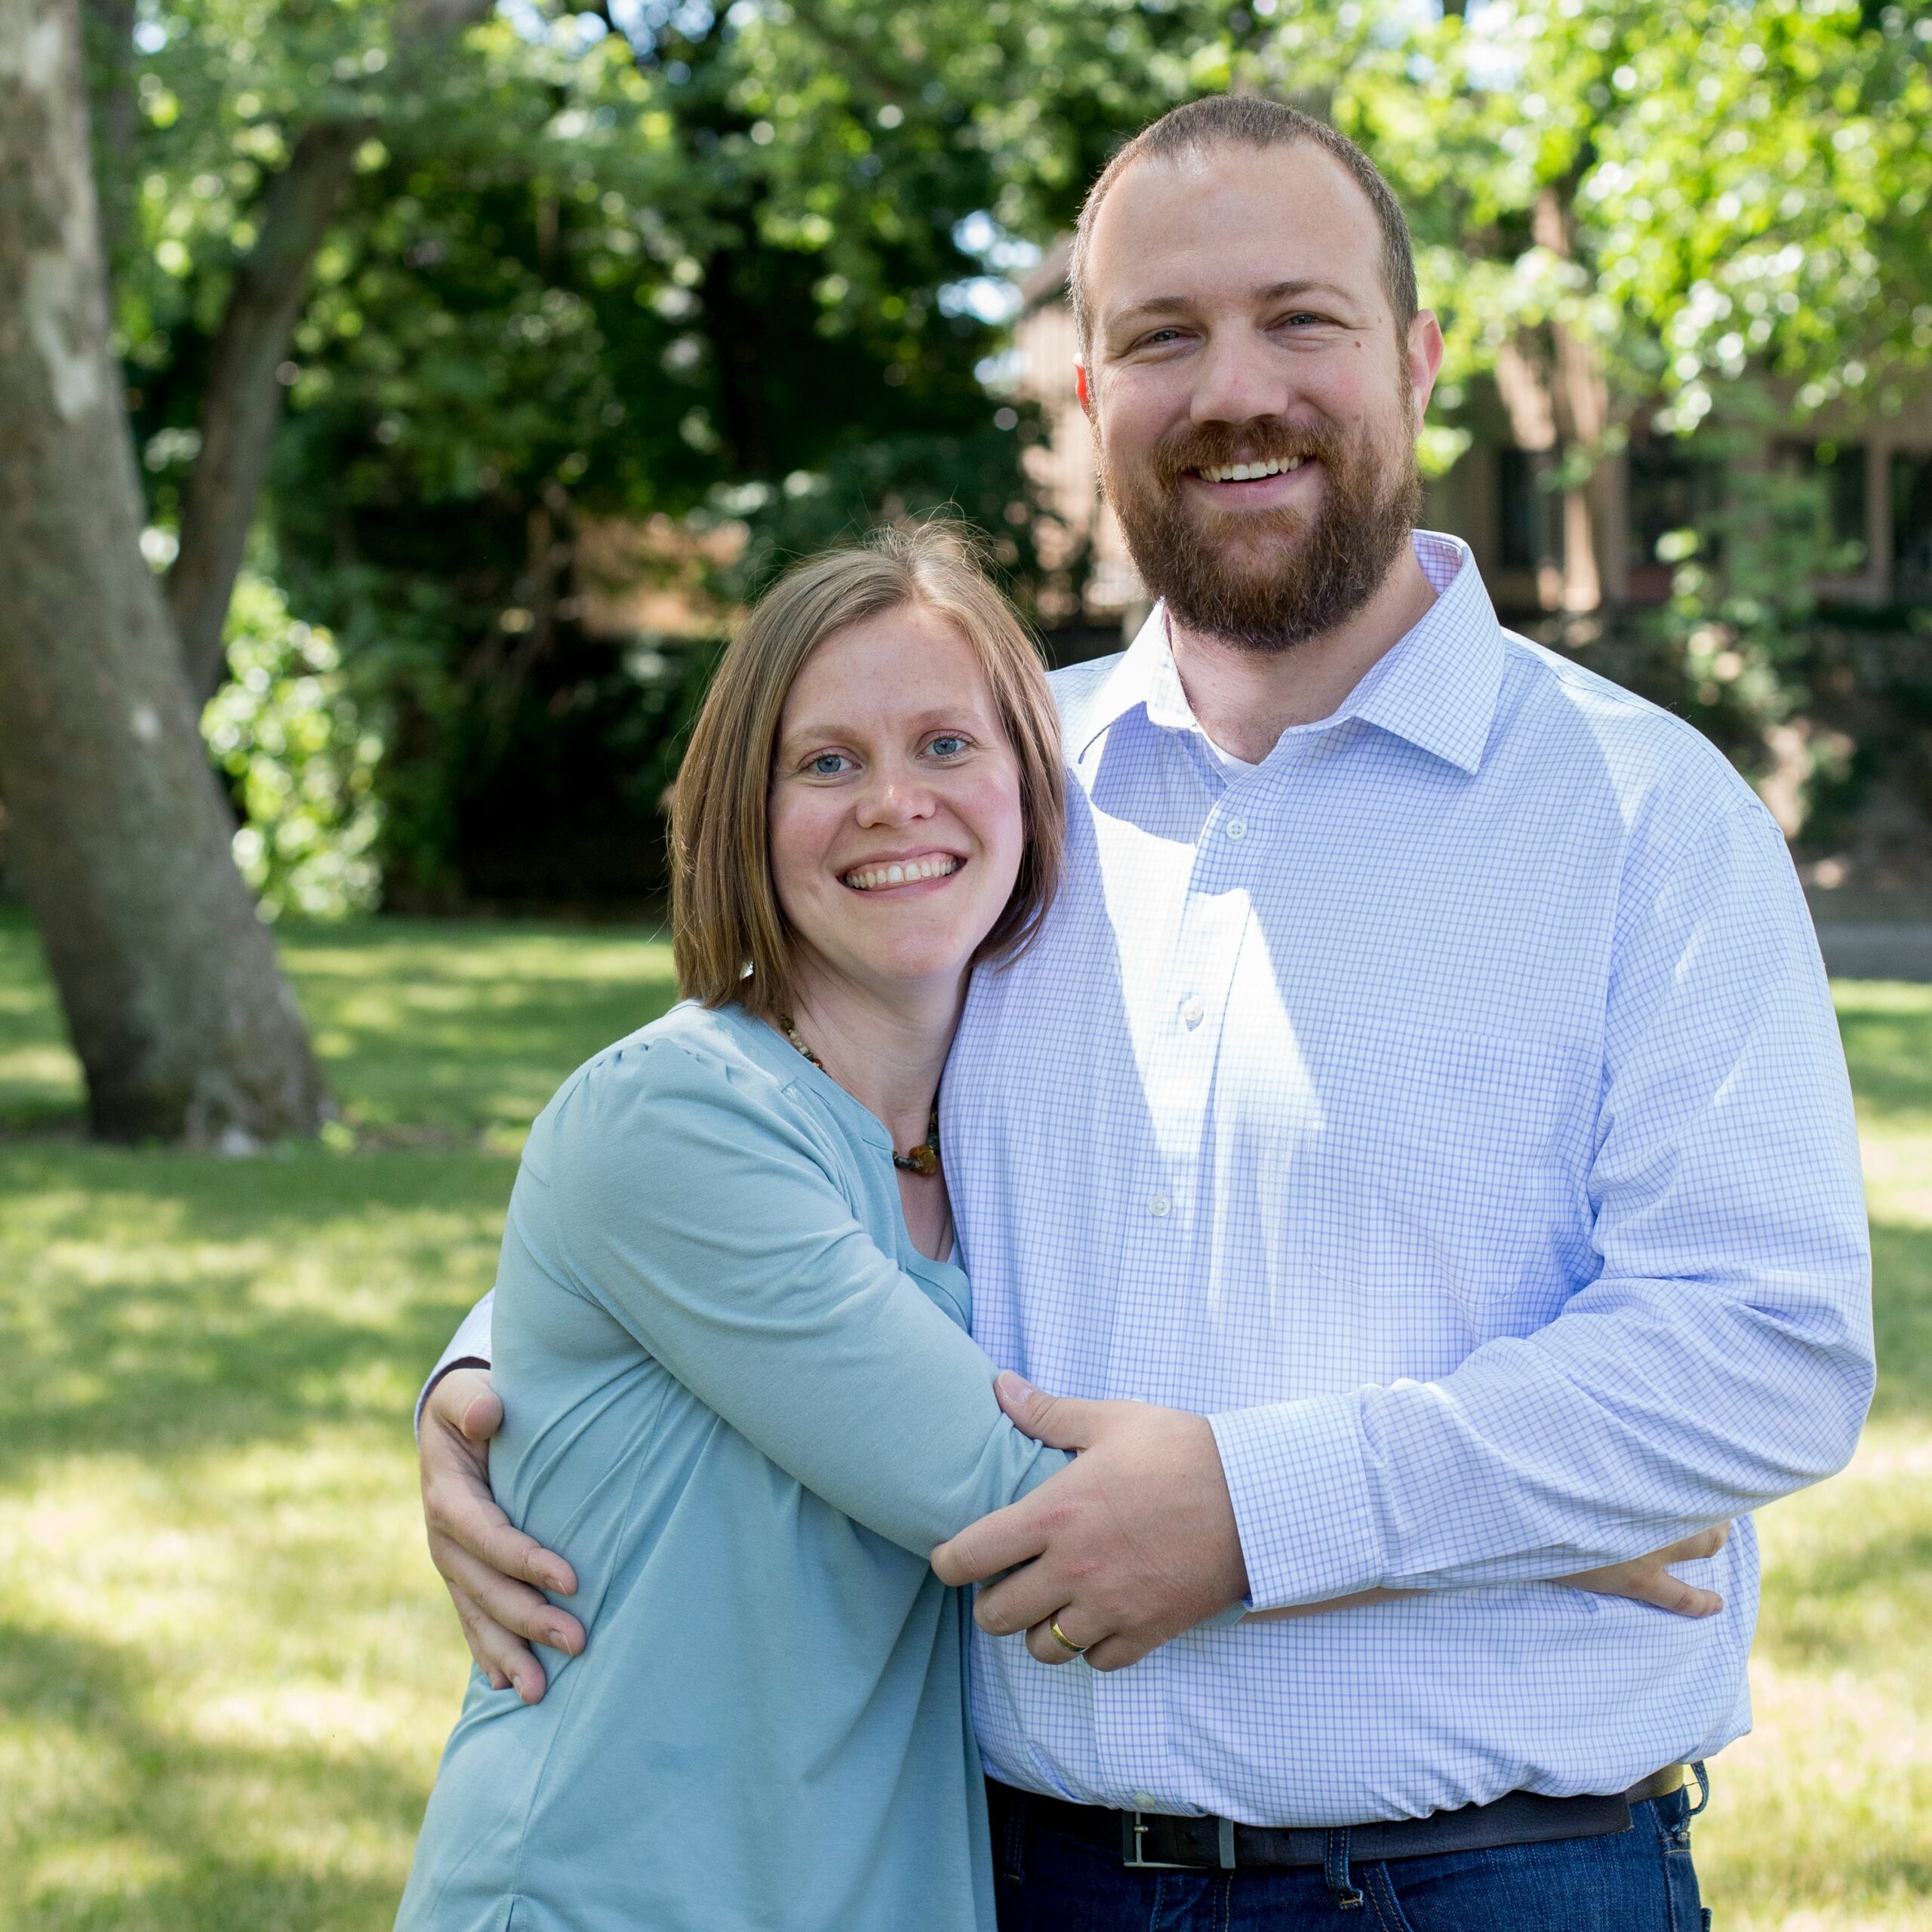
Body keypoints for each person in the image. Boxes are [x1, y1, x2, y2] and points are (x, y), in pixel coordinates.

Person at [419, 97, 1873, 1931]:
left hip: (1497, 1879)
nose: (1234, 388)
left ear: (1416, 360)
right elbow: (755, 1131)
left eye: (1300, 320)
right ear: (1090, 399)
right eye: (1163, 338)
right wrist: (492, 1377)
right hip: (1018, 1873)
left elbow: (1759, 1349)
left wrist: (1277, 1514)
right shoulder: (984, 791)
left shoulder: (1638, 813)